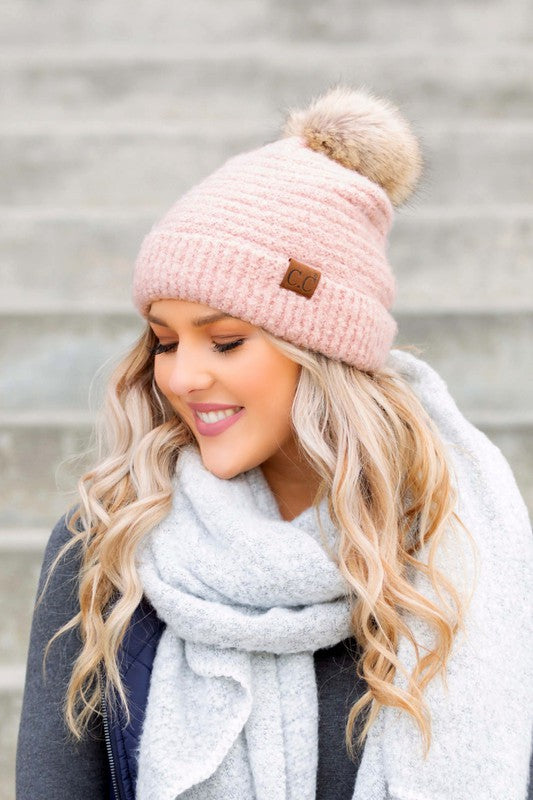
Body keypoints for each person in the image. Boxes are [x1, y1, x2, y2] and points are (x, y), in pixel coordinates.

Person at [16, 85, 532, 800]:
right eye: (165, 341)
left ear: (320, 350)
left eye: (226, 341)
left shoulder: (468, 544)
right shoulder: (106, 543)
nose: (182, 376)